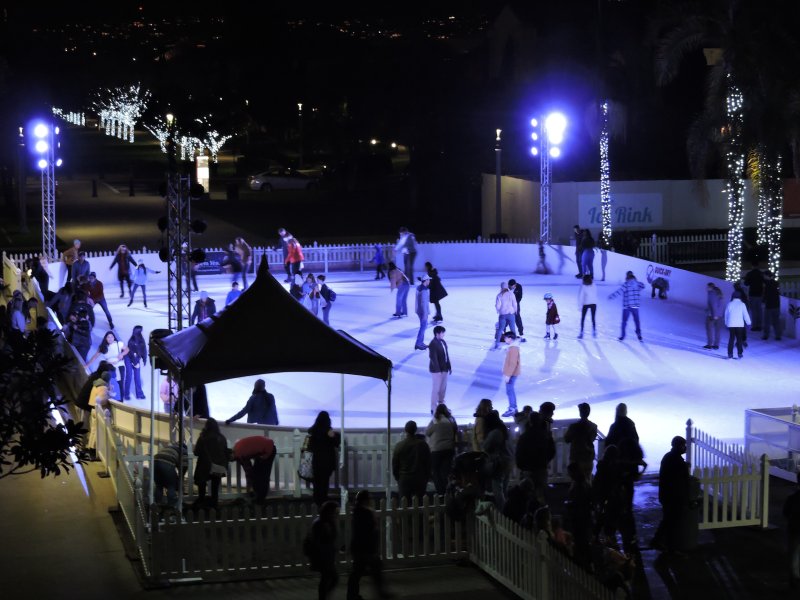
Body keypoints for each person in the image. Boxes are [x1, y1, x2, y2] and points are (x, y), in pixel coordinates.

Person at [651, 436, 693, 554]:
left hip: (668, 495)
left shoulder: (669, 457)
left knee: (668, 520)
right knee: (672, 522)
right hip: (674, 496)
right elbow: (679, 479)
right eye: (683, 445)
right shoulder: (676, 461)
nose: (685, 448)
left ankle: (659, 541)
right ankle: (670, 546)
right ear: (677, 446)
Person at [346, 490, 390, 600]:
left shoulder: (357, 511)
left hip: (360, 547)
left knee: (359, 572)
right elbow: (369, 530)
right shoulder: (366, 512)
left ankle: (353, 595)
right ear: (365, 500)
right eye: (369, 498)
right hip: (366, 548)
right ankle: (379, 593)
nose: (370, 500)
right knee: (363, 572)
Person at [515, 402, 556, 505]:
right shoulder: (545, 435)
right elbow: (552, 451)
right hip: (541, 468)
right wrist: (545, 461)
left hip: (528, 469)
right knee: (540, 494)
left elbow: (519, 453)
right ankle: (541, 514)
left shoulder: (524, 436)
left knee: (527, 494)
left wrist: (522, 466)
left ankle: (529, 514)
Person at [193, 417, 229, 509]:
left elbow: (196, 452)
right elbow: (225, 452)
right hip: (219, 466)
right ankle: (214, 504)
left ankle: (201, 500)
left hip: (205, 466)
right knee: (215, 486)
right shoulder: (222, 438)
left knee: (202, 482)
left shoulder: (203, 437)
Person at [308, 411, 341, 507]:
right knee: (324, 482)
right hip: (327, 462)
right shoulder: (329, 431)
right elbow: (336, 443)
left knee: (317, 482)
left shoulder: (313, 432)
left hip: (316, 461)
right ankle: (323, 500)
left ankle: (317, 500)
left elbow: (310, 447)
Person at [392, 420, 431, 503]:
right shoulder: (423, 445)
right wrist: (426, 477)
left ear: (405, 430)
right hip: (419, 478)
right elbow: (428, 463)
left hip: (404, 478)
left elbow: (395, 464)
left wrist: (398, 477)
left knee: (404, 505)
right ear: (415, 429)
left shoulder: (399, 446)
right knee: (419, 504)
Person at [232, 434, 277, 503]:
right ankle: (258, 497)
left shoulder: (239, 455)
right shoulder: (236, 448)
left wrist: (248, 489)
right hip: (264, 448)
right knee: (257, 474)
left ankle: (260, 500)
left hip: (268, 449)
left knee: (262, 476)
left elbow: (249, 471)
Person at [482, 410, 512, 510]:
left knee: (497, 489)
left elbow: (486, 446)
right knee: (504, 488)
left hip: (499, 462)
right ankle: (506, 509)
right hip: (507, 461)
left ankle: (503, 510)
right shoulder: (503, 430)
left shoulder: (495, 432)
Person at [310, 500, 340, 600]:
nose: (337, 514)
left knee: (327, 578)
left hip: (327, 556)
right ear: (329, 511)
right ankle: (323, 597)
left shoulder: (329, 522)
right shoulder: (320, 523)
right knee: (330, 578)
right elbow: (319, 541)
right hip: (322, 556)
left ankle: (323, 597)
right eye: (335, 511)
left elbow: (331, 538)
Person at [425, 404, 457, 495]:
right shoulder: (450, 421)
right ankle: (448, 491)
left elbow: (427, 432)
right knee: (446, 472)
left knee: (436, 471)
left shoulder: (436, 421)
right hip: (449, 449)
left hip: (437, 449)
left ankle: (441, 492)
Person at [563, 402, 599, 483]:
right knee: (587, 480)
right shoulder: (594, 426)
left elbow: (566, 439)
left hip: (576, 457)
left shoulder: (573, 426)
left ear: (580, 412)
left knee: (576, 481)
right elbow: (592, 439)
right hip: (588, 457)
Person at [609, 271, 645, 342]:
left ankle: (622, 336)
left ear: (627, 276)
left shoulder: (626, 284)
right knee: (637, 321)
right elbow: (643, 286)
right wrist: (636, 283)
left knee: (624, 321)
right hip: (635, 306)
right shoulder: (637, 284)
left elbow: (619, 291)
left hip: (627, 306)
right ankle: (639, 334)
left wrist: (612, 296)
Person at [153, 442, 188, 510]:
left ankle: (158, 504)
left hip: (155, 462)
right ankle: (172, 505)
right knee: (171, 485)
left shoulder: (168, 448)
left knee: (159, 485)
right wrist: (180, 478)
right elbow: (184, 467)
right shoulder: (184, 451)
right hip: (166, 463)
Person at [427, 324, 452, 413]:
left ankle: (442, 406)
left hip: (444, 369)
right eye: (442, 333)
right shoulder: (433, 344)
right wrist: (437, 370)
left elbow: (446, 355)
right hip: (437, 371)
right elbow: (433, 358)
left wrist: (449, 366)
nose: (443, 334)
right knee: (436, 389)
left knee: (442, 389)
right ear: (437, 333)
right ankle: (433, 408)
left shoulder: (443, 342)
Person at [783, 471, 800, 590]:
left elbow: (786, 513)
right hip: (795, 529)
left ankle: (794, 579)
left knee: (794, 555)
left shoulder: (793, 498)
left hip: (795, 529)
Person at [724, 290, 751, 359]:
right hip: (739, 325)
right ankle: (740, 353)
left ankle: (730, 353)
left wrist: (726, 323)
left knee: (731, 339)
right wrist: (749, 322)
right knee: (739, 339)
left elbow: (726, 315)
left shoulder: (730, 304)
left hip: (731, 324)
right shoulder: (742, 304)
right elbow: (745, 315)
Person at [123, 325, 147, 401]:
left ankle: (139, 394)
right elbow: (130, 353)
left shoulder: (141, 339)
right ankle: (126, 394)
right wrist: (135, 363)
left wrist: (144, 359)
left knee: (137, 376)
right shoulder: (131, 341)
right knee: (129, 376)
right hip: (129, 358)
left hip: (136, 358)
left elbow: (143, 350)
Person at [501, 331, 521, 417]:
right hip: (511, 373)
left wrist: (508, 375)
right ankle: (514, 408)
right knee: (510, 391)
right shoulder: (512, 347)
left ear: (510, 338)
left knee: (510, 391)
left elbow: (513, 363)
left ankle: (512, 408)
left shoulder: (513, 348)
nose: (504, 339)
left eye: (505, 338)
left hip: (512, 374)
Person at [493, 281, 517, 350]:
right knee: (513, 329)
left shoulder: (499, 295)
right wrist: (515, 311)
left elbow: (498, 306)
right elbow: (515, 304)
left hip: (502, 315)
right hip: (511, 314)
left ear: (501, 287)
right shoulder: (511, 294)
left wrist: (498, 311)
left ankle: (497, 343)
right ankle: (513, 343)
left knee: (500, 329)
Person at [743, 260, 764, 332]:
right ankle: (760, 326)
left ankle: (754, 326)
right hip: (760, 294)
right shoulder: (761, 274)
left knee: (754, 311)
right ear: (758, 266)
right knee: (759, 310)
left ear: (752, 266)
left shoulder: (750, 274)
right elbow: (765, 283)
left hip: (752, 294)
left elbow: (746, 283)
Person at [762, 270, 782, 341]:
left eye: (764, 275)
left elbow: (766, 294)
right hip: (776, 304)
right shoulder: (776, 283)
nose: (763, 277)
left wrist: (763, 301)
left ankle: (766, 334)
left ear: (767, 276)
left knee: (767, 321)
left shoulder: (767, 284)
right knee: (776, 321)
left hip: (769, 305)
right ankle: (778, 335)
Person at [414, 274, 431, 350]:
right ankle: (418, 343)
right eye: (428, 280)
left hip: (419, 310)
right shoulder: (424, 290)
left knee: (423, 326)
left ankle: (420, 342)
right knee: (423, 327)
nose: (429, 281)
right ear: (426, 280)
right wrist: (425, 313)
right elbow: (423, 303)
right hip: (422, 311)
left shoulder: (420, 287)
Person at [704, 282, 724, 350]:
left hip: (712, 315)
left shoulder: (712, 293)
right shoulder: (719, 293)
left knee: (709, 329)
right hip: (720, 315)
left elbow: (714, 304)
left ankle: (710, 344)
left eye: (707, 287)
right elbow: (720, 305)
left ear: (710, 287)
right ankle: (716, 345)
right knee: (717, 330)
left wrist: (714, 315)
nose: (706, 288)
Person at [577, 274, 598, 339]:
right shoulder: (594, 285)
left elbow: (581, 297)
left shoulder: (584, 286)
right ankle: (594, 331)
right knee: (593, 318)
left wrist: (580, 306)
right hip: (594, 303)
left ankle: (581, 333)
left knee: (583, 318)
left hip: (586, 303)